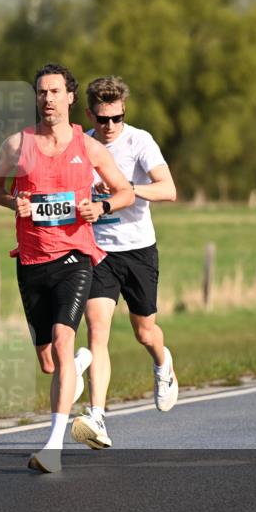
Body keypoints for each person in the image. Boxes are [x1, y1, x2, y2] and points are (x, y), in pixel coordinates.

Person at [0, 64, 134, 473]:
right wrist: (10, 201)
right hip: (32, 260)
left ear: (70, 98)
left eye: (54, 92)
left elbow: (124, 191)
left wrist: (99, 206)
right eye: (41, 93)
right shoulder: (17, 145)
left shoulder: (89, 149)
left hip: (75, 257)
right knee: (49, 361)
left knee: (63, 341)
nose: (47, 99)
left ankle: (52, 447)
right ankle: (78, 367)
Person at [70, 76, 178, 451]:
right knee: (97, 331)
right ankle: (96, 416)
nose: (111, 126)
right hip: (98, 251)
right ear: (90, 115)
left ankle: (163, 364)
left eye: (117, 117)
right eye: (103, 119)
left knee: (145, 331)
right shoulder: (81, 146)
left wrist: (125, 192)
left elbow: (169, 189)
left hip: (138, 250)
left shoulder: (139, 141)